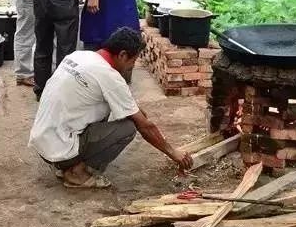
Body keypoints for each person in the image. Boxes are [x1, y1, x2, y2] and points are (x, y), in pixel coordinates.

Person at [29, 28, 193, 188]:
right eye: (133, 61)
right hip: (60, 146)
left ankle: (65, 163)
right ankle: (76, 172)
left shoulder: (80, 55)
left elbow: (133, 109)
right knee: (127, 128)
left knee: (121, 111)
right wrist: (173, 153)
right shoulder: (109, 76)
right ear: (122, 55)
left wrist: (137, 113)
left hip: (43, 140)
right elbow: (144, 126)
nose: (132, 66)